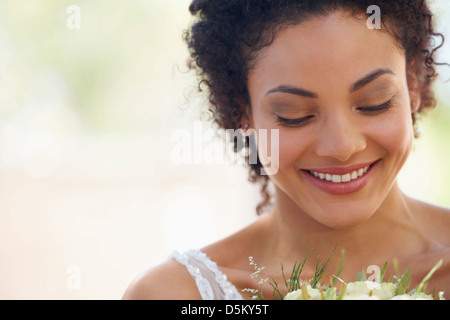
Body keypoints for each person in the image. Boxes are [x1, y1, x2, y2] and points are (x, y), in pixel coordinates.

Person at [123, 0, 450, 300]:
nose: (342, 147)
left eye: (374, 103)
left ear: (412, 87)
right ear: (244, 114)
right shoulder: (176, 295)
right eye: (294, 115)